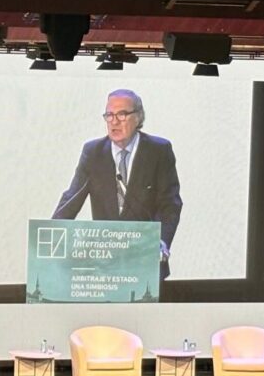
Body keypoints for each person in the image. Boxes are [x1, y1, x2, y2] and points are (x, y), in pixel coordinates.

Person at [52, 89, 182, 278]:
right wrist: (51, 234)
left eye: (121, 114)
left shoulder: (158, 151)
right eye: (109, 115)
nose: (114, 121)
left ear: (138, 117)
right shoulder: (93, 152)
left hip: (145, 259)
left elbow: (170, 204)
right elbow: (71, 199)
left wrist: (161, 241)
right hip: (106, 265)